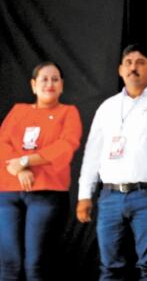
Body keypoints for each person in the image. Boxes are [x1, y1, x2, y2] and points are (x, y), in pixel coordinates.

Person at [77, 44, 147, 280]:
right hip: (110, 197)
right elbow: (92, 153)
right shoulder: (108, 107)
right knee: (109, 267)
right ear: (119, 70)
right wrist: (84, 194)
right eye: (128, 63)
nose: (133, 67)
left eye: (140, 63)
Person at [0, 62, 82, 281]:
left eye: (55, 79)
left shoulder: (68, 113)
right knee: (9, 263)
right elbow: (2, 143)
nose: (49, 84)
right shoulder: (19, 111)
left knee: (36, 263)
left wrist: (25, 161)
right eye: (44, 79)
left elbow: (65, 147)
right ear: (33, 85)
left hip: (47, 194)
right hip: (8, 193)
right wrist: (19, 170)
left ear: (62, 85)